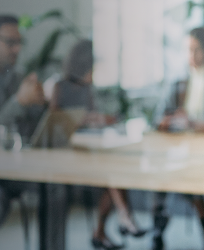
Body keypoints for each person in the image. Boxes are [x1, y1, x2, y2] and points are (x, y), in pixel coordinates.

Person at [0, 15, 67, 250]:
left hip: (5, 168)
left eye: (20, 42)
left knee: (54, 188)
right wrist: (19, 101)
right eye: (11, 42)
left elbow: (30, 130)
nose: (17, 49)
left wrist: (45, 103)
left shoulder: (18, 77)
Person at [49, 40, 147, 250]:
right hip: (68, 152)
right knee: (112, 173)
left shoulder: (87, 88)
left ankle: (105, 229)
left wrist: (103, 119)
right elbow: (55, 120)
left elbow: (90, 115)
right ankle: (123, 217)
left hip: (89, 145)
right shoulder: (60, 86)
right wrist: (84, 119)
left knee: (114, 171)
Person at [151, 27, 204, 250]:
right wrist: (169, 120)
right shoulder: (179, 77)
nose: (192, 56)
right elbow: (159, 115)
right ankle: (202, 228)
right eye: (188, 50)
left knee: (184, 173)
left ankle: (159, 231)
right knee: (162, 171)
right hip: (179, 146)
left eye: (196, 50)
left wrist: (192, 122)